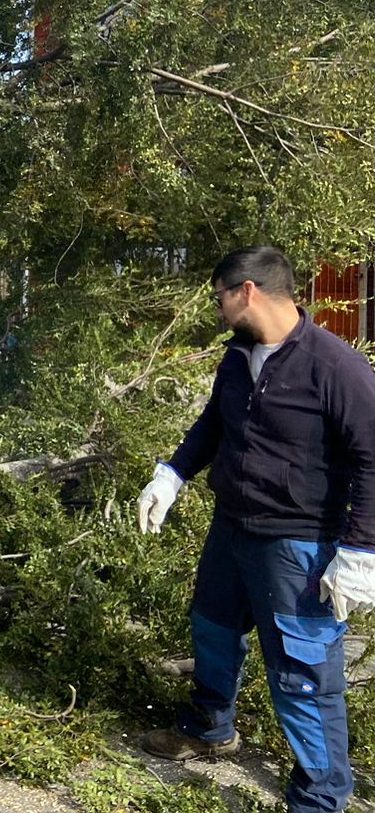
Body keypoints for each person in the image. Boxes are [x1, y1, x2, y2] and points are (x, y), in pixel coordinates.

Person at [138, 246, 375, 812]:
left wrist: (361, 550)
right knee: (212, 627)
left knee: (302, 674)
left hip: (298, 544)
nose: (216, 307)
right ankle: (209, 726)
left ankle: (320, 797)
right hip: (232, 528)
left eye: (219, 295)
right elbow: (213, 424)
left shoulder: (334, 366)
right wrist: (171, 475)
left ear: (247, 291)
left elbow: (373, 458)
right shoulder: (239, 356)